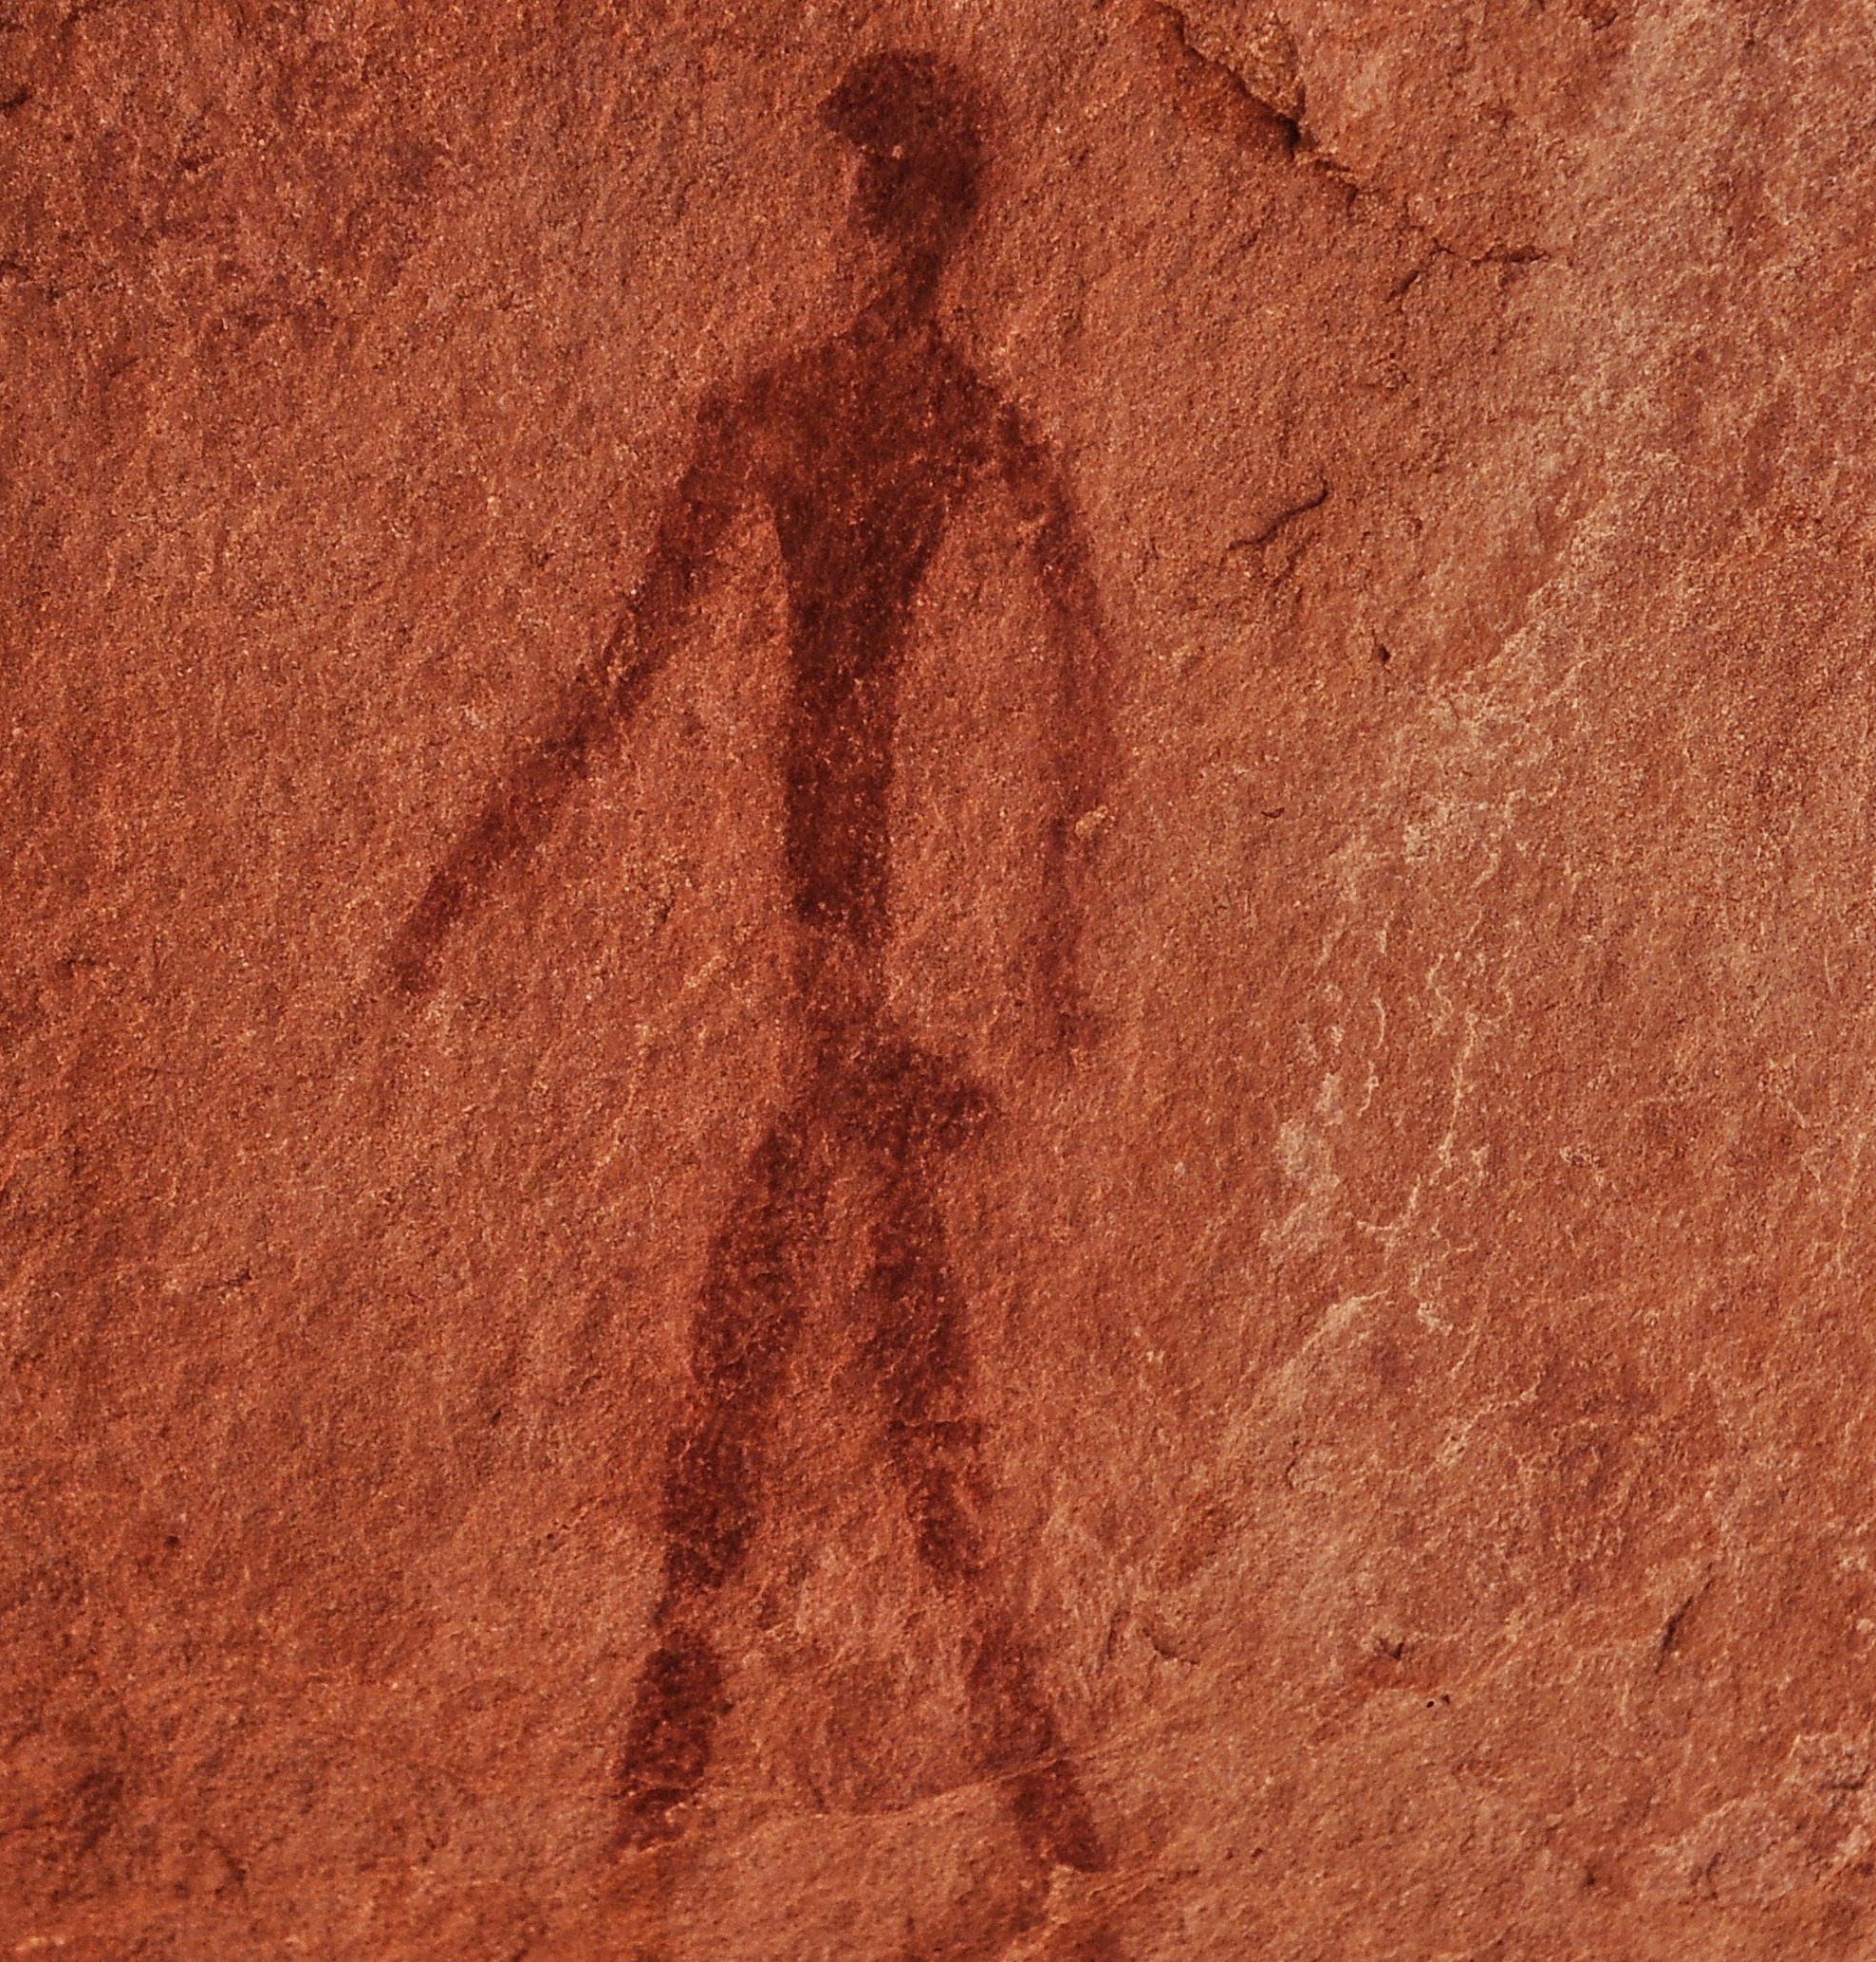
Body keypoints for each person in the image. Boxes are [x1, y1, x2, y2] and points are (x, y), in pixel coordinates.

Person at [391, 49, 1117, 1873]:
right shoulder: (911, 418)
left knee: (822, 1295)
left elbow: (1065, 661)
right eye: (907, 196)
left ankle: (720, 1741)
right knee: (839, 1297)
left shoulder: (853, 413)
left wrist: (1049, 941)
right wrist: (469, 874)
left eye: (903, 194)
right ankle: (983, 1759)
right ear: (915, 213)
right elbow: (644, 675)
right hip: (828, 963)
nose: (901, 226)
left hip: (842, 963)